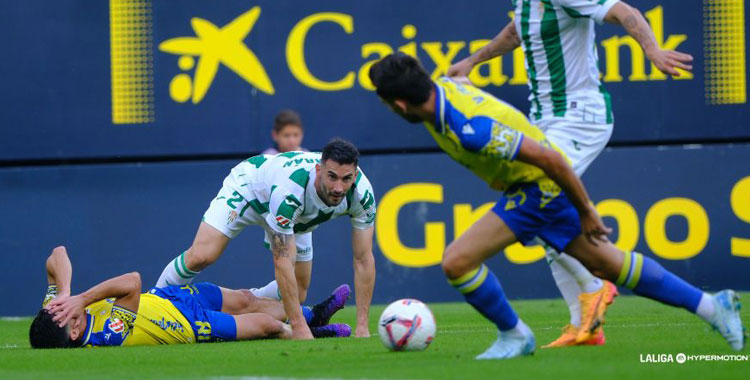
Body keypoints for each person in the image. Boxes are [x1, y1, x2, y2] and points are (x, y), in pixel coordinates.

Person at [368, 53, 745, 359]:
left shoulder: (468, 128)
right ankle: (713, 307)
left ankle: (515, 335)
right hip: (530, 187)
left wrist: (586, 210)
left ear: (401, 104)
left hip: (538, 188)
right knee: (608, 263)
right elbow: (459, 84)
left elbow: (551, 159)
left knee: (457, 261)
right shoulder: (443, 90)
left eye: (388, 105)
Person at [447, 0, 694, 347]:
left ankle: (596, 287)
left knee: (536, 203)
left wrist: (651, 50)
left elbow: (624, 12)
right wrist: (473, 61)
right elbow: (519, 30)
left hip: (580, 118)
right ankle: (585, 328)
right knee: (544, 216)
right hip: (548, 121)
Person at [155, 139, 377, 339]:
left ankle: (247, 300)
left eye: (346, 178)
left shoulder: (361, 194)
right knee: (202, 255)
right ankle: (154, 305)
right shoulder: (291, 192)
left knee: (297, 293)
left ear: (355, 176)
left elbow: (363, 259)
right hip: (250, 189)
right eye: (332, 177)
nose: (339, 187)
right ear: (319, 170)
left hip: (297, 216)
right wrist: (299, 328)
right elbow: (282, 262)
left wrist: (363, 328)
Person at [30, 246, 352, 349]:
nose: (69, 307)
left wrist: (67, 294)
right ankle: (310, 331)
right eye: (70, 312)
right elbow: (132, 282)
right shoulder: (106, 335)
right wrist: (82, 298)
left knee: (245, 298)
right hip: (189, 323)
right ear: (74, 332)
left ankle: (313, 314)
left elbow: (57, 255)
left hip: (171, 297)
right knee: (269, 325)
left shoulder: (56, 313)